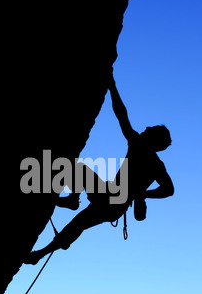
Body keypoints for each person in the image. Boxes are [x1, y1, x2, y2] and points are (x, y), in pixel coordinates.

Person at [23, 74, 174, 265]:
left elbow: (122, 115)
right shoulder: (155, 163)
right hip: (113, 202)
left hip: (111, 198)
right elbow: (169, 190)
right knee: (78, 222)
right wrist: (142, 194)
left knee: (78, 188)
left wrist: (112, 87)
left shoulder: (139, 146)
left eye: (149, 130)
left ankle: (70, 202)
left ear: (153, 139)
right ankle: (40, 253)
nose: (145, 128)